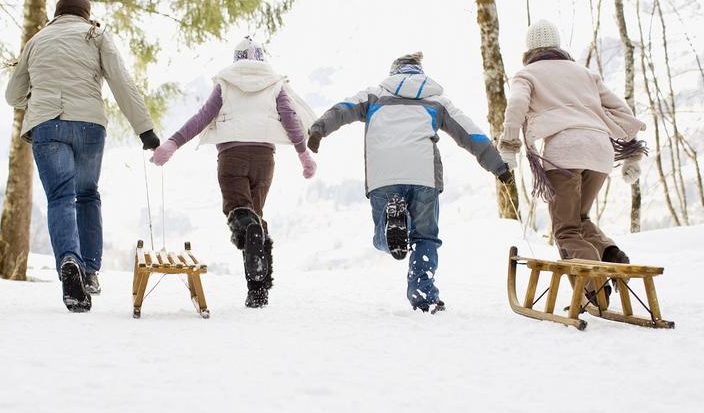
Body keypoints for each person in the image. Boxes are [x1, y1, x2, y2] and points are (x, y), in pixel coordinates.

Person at [308, 52, 512, 314]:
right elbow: (470, 133)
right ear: (420, 72)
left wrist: (318, 129)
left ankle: (390, 233)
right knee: (425, 237)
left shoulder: (374, 95)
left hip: (385, 177)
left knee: (384, 239)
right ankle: (423, 295)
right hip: (423, 176)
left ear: (394, 73)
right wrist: (499, 167)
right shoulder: (437, 101)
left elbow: (342, 110)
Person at [5, 0, 161, 312]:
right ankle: (89, 271)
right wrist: (145, 130)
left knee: (61, 196)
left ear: (57, 15)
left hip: (47, 124)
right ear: (86, 15)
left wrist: (34, 101)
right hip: (89, 125)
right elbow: (122, 82)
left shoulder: (37, 40)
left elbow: (12, 94)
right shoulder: (96, 35)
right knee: (87, 194)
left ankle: (69, 262)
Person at [150, 36, 316, 308]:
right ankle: (258, 292)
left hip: (232, 156)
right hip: (264, 158)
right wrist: (303, 155)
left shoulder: (225, 83)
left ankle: (249, 235)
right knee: (256, 217)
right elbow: (291, 119)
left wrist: (173, 143)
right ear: (261, 59)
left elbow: (202, 117)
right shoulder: (275, 84)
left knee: (240, 213)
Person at [497, 19, 646, 301]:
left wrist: (508, 146)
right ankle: (610, 252)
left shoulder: (527, 74)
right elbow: (622, 109)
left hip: (564, 153)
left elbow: (516, 106)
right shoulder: (585, 73)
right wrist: (632, 153)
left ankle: (594, 288)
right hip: (600, 151)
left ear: (529, 49)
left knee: (565, 230)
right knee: (578, 218)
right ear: (558, 46)